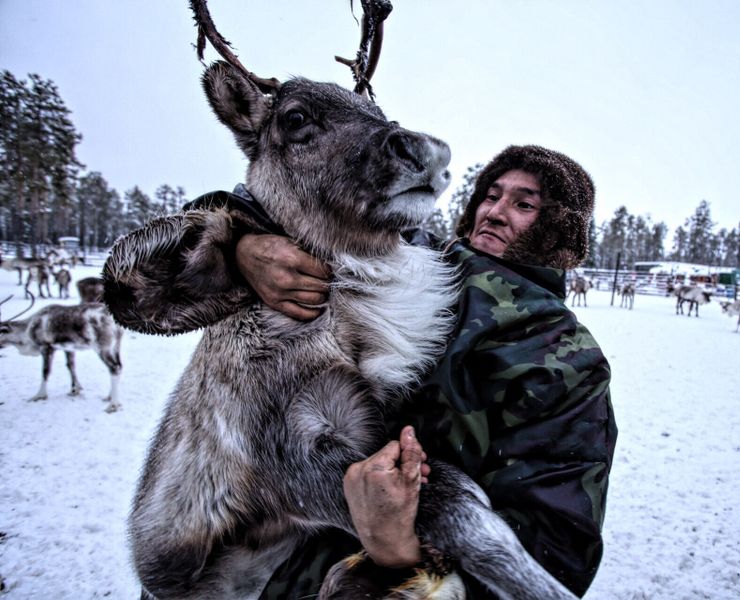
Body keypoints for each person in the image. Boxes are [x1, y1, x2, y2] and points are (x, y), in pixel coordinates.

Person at [109, 144, 616, 598]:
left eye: (524, 205)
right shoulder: (403, 255)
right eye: (491, 195)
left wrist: (403, 558)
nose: (495, 212)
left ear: (558, 233)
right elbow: (151, 280)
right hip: (225, 555)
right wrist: (243, 246)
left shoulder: (566, 357)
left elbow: (557, 552)